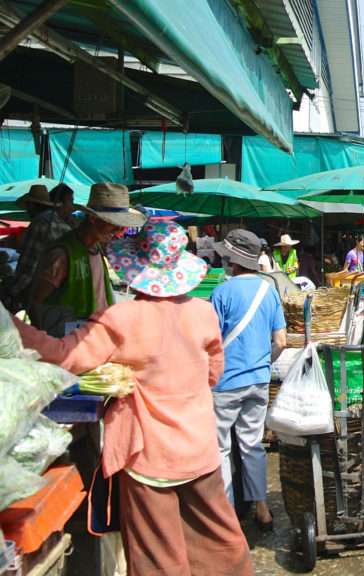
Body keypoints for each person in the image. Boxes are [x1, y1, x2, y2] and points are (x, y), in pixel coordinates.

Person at [14, 221, 253, 575]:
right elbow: (213, 374)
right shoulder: (203, 312)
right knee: (218, 540)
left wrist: (13, 327)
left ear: (135, 269)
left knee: (159, 553)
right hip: (199, 448)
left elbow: (66, 355)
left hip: (150, 457)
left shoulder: (121, 319)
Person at [210, 229, 287, 532]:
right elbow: (281, 340)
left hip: (225, 384)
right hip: (258, 381)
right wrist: (262, 364)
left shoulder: (220, 293)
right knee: (252, 444)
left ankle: (227, 513)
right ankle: (262, 508)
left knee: (220, 448)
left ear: (231, 260)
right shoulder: (268, 290)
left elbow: (211, 343)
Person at [29, 183, 146, 337]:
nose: (118, 231)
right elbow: (35, 303)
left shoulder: (95, 249)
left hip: (93, 339)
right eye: (114, 224)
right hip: (65, 346)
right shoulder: (62, 255)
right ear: (92, 218)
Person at [12, 183, 76, 307]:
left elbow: (28, 267)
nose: (72, 208)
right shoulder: (64, 226)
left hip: (34, 293)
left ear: (31, 205)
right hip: (54, 296)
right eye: (71, 202)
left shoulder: (40, 222)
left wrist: (14, 293)